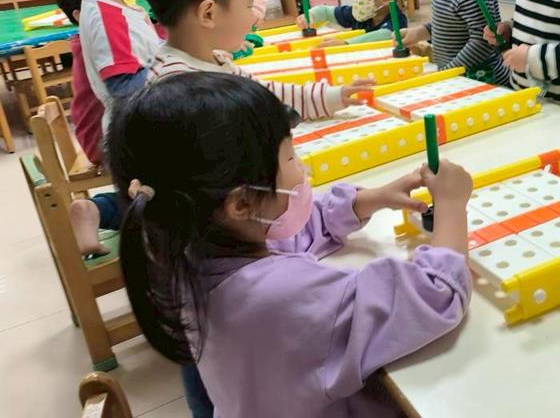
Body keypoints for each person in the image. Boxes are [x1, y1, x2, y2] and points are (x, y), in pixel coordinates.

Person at [108, 72, 472, 418]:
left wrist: (371, 199)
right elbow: (435, 295)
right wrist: (452, 206)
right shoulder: (277, 296)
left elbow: (290, 233)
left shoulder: (189, 248)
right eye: (290, 157)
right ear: (242, 203)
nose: (302, 168)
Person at [137, 0, 370, 117]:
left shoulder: (213, 59)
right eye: (249, 5)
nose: (253, 15)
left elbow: (266, 94)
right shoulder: (179, 88)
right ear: (208, 14)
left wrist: (329, 97)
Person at [64, 0, 159, 256]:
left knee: (153, 199)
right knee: (164, 199)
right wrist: (173, 70)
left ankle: (96, 210)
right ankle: (98, 210)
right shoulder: (107, 17)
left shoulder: (113, 8)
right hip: (135, 132)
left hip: (136, 126)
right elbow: (124, 86)